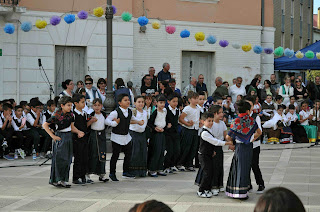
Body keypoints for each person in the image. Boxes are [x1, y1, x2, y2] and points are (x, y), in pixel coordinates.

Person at [43, 96, 85, 188]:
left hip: (68, 137)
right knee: (59, 159)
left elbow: (72, 127)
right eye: (68, 105)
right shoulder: (57, 115)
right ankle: (56, 179)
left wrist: (78, 132)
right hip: (60, 136)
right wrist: (53, 136)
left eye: (71, 105)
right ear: (62, 105)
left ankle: (63, 180)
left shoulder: (71, 115)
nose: (70, 107)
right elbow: (45, 124)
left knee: (67, 160)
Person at [225, 100, 262, 200]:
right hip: (249, 146)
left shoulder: (236, 120)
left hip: (239, 146)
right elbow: (259, 132)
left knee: (237, 167)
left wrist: (232, 142)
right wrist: (251, 138)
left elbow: (228, 137)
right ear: (247, 110)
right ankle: (243, 191)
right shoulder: (251, 120)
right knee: (246, 168)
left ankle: (235, 190)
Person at [196, 112, 232, 198]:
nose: (211, 123)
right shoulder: (204, 133)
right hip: (203, 156)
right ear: (202, 121)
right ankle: (201, 190)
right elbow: (215, 142)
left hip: (208, 155)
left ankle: (207, 189)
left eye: (212, 121)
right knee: (207, 173)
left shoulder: (209, 130)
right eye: (209, 121)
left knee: (210, 172)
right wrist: (227, 143)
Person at [106, 94, 141, 181]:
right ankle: (112, 173)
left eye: (128, 100)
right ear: (119, 103)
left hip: (126, 136)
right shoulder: (115, 112)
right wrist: (114, 123)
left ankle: (126, 172)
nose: (128, 101)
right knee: (115, 155)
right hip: (117, 137)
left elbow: (131, 119)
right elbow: (107, 121)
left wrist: (138, 122)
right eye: (125, 100)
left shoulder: (129, 111)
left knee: (128, 154)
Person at [86, 98, 109, 183]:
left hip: (101, 135)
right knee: (93, 154)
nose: (97, 107)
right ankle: (88, 174)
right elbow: (86, 125)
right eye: (95, 105)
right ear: (92, 106)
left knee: (102, 154)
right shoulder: (90, 114)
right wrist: (91, 121)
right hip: (93, 135)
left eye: (99, 105)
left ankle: (101, 174)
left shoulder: (103, 114)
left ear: (101, 106)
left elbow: (106, 124)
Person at [245, 96, 265, 194]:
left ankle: (260, 183)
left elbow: (259, 131)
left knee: (254, 164)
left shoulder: (255, 116)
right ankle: (248, 184)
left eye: (250, 105)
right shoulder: (242, 116)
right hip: (245, 144)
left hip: (254, 144)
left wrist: (252, 139)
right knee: (246, 165)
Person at [71, 94, 92, 185]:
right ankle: (76, 177)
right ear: (76, 103)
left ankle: (83, 176)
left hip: (84, 138)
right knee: (78, 158)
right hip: (77, 139)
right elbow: (72, 127)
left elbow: (85, 126)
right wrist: (78, 132)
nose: (84, 104)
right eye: (82, 102)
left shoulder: (84, 113)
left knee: (85, 157)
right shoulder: (73, 115)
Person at [178, 91, 200, 171]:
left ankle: (189, 163)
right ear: (190, 99)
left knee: (193, 147)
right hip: (187, 130)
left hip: (195, 129)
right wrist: (187, 124)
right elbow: (181, 118)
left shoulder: (197, 108)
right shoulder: (187, 108)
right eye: (195, 98)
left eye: (197, 98)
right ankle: (180, 163)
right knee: (186, 147)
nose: (196, 100)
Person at [210, 105, 229, 195]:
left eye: (222, 112)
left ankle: (219, 184)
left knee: (220, 166)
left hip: (220, 146)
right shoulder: (211, 123)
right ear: (214, 113)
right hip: (212, 146)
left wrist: (230, 142)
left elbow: (225, 135)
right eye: (220, 112)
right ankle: (213, 186)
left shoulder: (222, 123)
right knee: (213, 167)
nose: (222, 114)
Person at [147, 95, 167, 177]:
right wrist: (155, 128)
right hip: (156, 134)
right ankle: (152, 169)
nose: (162, 105)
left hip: (162, 133)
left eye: (163, 103)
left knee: (162, 151)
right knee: (156, 151)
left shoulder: (164, 112)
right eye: (160, 103)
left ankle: (159, 168)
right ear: (156, 103)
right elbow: (150, 123)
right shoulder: (155, 112)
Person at [129, 96, 148, 177]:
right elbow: (129, 121)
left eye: (142, 102)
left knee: (142, 152)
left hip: (142, 133)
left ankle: (142, 171)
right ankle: (133, 171)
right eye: (139, 102)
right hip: (134, 133)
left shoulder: (146, 112)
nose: (141, 104)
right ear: (135, 103)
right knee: (135, 152)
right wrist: (137, 122)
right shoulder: (133, 112)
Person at [164, 93, 180, 173]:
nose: (175, 103)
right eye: (173, 101)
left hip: (175, 132)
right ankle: (166, 166)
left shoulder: (177, 110)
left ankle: (172, 165)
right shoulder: (166, 110)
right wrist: (167, 125)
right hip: (168, 133)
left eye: (176, 101)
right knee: (170, 150)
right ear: (169, 102)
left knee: (177, 150)